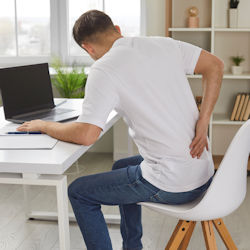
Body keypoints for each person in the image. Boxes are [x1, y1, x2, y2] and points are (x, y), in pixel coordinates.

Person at [17, 10, 224, 250]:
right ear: (117, 29)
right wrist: (203, 120)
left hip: (173, 185)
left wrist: (44, 125)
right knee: (121, 166)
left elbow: (86, 135)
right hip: (203, 172)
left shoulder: (103, 69)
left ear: (88, 48)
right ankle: (132, 246)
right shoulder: (163, 44)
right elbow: (215, 66)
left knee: (78, 192)